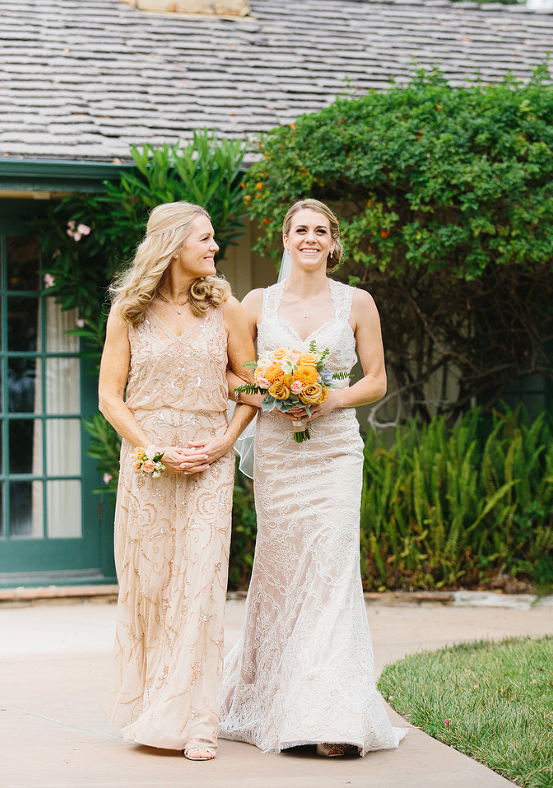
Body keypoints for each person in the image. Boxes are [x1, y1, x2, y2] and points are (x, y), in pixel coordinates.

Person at [220, 198, 405, 757]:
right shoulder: (255, 304)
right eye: (300, 229)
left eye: (320, 231)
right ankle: (274, 700)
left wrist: (329, 400)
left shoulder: (358, 302)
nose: (310, 238)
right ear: (284, 239)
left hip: (335, 454)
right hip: (279, 456)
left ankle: (331, 718)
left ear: (333, 242)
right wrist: (274, 395)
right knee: (283, 573)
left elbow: (376, 379)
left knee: (330, 573)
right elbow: (231, 374)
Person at [98, 201, 258, 761]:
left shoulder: (227, 309)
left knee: (202, 582)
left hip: (208, 463)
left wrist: (225, 440)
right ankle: (154, 707)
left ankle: (199, 723)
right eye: (206, 239)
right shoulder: (129, 311)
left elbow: (250, 386)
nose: (215, 248)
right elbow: (109, 397)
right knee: (153, 587)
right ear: (171, 246)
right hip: (150, 464)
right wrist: (152, 451)